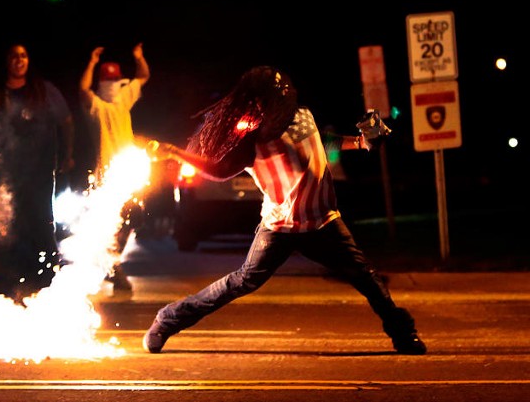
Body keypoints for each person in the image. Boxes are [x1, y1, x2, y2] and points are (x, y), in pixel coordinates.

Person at [142, 65, 426, 355]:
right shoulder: (250, 140)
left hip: (322, 222)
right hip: (279, 227)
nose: (281, 102)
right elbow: (218, 171)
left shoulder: (302, 114)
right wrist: (174, 152)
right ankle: (168, 319)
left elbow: (320, 140)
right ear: (258, 104)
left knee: (366, 277)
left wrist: (361, 142)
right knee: (241, 282)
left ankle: (404, 335)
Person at [0, 43, 75, 302]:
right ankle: (6, 281)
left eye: (23, 56)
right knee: (6, 224)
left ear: (28, 61)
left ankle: (46, 279)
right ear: (6, 62)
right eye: (13, 56)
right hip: (5, 171)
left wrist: (67, 154)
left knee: (41, 223)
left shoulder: (44, 91)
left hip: (39, 171)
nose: (19, 61)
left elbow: (66, 122)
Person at [79, 43, 150, 292]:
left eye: (115, 80)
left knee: (133, 219)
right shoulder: (97, 107)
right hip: (106, 178)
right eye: (108, 80)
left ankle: (111, 263)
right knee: (111, 222)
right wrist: (92, 62)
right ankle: (112, 267)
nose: (112, 84)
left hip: (127, 174)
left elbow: (143, 76)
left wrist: (138, 57)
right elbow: (83, 89)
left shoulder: (123, 101)